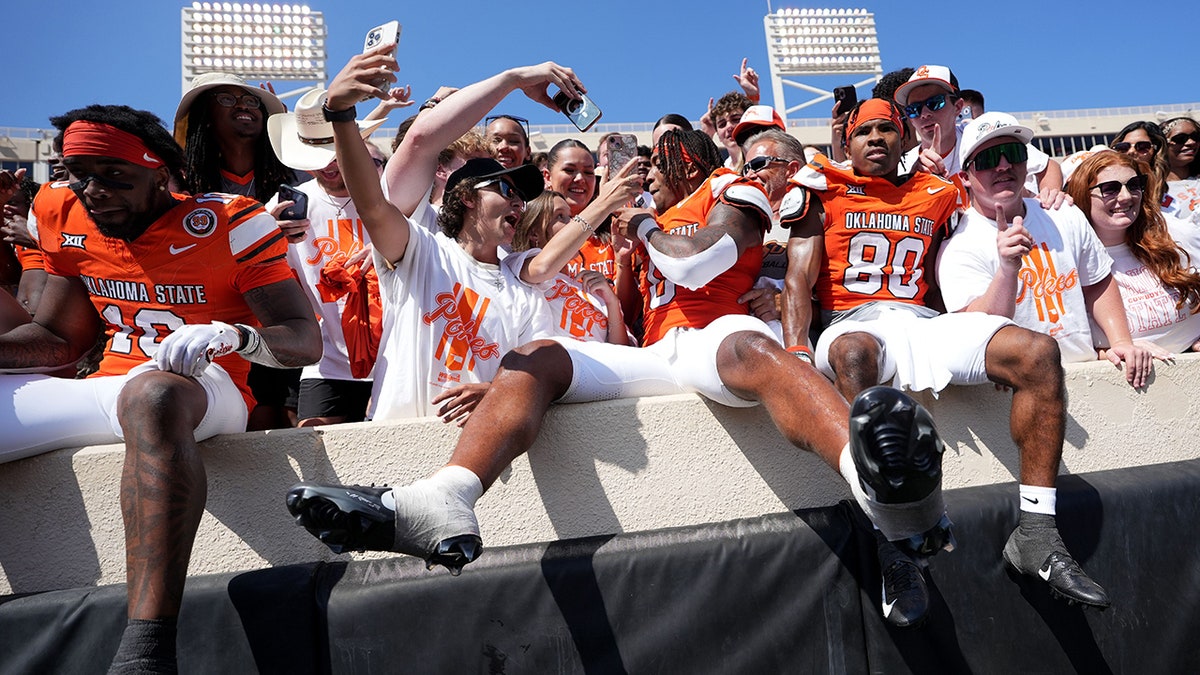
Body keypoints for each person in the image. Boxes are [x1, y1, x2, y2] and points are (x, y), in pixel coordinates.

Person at [286, 124, 955, 631]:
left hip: (709, 336)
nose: (652, 169)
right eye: (646, 165)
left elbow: (691, 265)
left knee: (754, 352)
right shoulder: (636, 218)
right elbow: (562, 260)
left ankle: (882, 490)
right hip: (651, 352)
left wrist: (632, 216)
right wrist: (619, 208)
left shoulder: (730, 191)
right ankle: (445, 497)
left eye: (664, 159)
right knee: (542, 352)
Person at [0, 104, 320, 672]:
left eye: (115, 177)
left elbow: (303, 340)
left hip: (204, 389)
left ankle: (146, 650)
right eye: (79, 173)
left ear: (162, 174)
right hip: (108, 387)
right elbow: (56, 339)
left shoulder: (229, 219)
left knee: (155, 394)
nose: (94, 191)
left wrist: (235, 336)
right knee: (139, 391)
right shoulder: (59, 208)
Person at [788, 100, 1113, 620]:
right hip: (853, 323)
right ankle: (892, 544)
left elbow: (1003, 176)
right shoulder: (821, 187)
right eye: (864, 131)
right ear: (844, 143)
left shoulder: (941, 192)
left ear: (905, 139)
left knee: (1034, 352)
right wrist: (797, 349)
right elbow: (795, 280)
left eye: (886, 130)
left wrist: (1049, 177)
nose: (876, 139)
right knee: (854, 354)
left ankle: (1037, 532)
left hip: (923, 321)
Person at [319, 46, 581, 423]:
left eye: (521, 197)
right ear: (468, 198)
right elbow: (377, 201)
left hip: (483, 461)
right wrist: (341, 116)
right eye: (505, 191)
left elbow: (541, 378)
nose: (518, 204)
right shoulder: (420, 251)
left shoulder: (525, 293)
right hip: (398, 445)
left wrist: (496, 391)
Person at [939, 112, 1153, 385]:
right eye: (988, 159)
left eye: (1014, 153)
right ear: (965, 177)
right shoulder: (957, 245)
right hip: (1021, 386)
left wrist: (1121, 341)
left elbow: (1097, 282)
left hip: (1086, 373)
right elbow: (974, 329)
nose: (1003, 165)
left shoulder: (1063, 213)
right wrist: (1006, 270)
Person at [174, 72, 301, 430]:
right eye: (228, 99)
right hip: (216, 319)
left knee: (289, 421)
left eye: (252, 102)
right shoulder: (181, 182)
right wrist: (259, 235)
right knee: (246, 423)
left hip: (285, 314)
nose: (244, 105)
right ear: (205, 115)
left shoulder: (294, 177)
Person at [265, 88, 390, 426]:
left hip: (398, 354)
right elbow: (256, 279)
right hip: (328, 360)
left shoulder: (392, 196)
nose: (329, 164)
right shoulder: (283, 207)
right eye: (317, 153)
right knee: (315, 447)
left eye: (334, 150)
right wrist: (266, 240)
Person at [1064, 150, 1200, 353]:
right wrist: (1111, 352)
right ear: (1083, 194)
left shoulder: (1174, 235)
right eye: (1110, 189)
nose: (1126, 196)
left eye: (1134, 185)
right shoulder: (1070, 261)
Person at [892, 66, 1060, 196]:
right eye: (914, 109)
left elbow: (1048, 166)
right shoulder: (904, 165)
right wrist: (913, 181)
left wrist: (1048, 203)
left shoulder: (979, 135)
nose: (924, 114)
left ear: (958, 107)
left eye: (935, 103)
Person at [1160, 116, 1200, 225]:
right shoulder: (1153, 189)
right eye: (1180, 139)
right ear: (1163, 144)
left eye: (1196, 137)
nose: (1191, 142)